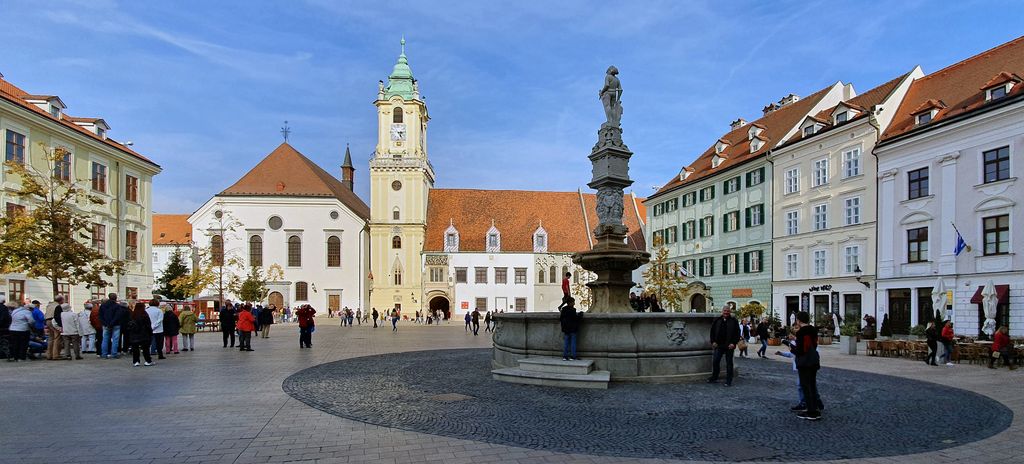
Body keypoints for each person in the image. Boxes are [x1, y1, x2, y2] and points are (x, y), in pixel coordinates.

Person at [791, 311, 822, 420]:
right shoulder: (813, 330)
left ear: (798, 320)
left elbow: (800, 350)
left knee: (806, 386)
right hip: (813, 360)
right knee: (812, 385)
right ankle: (814, 408)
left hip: (805, 362)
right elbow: (813, 344)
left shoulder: (801, 332)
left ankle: (811, 412)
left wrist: (791, 347)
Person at [707, 305, 740, 386]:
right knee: (715, 361)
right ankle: (714, 377)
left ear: (730, 312)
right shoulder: (717, 320)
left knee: (729, 363)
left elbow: (737, 333)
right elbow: (712, 331)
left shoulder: (734, 321)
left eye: (727, 311)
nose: (726, 312)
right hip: (719, 345)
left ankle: (729, 380)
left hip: (729, 345)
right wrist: (713, 341)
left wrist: (733, 343)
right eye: (725, 311)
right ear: (722, 311)